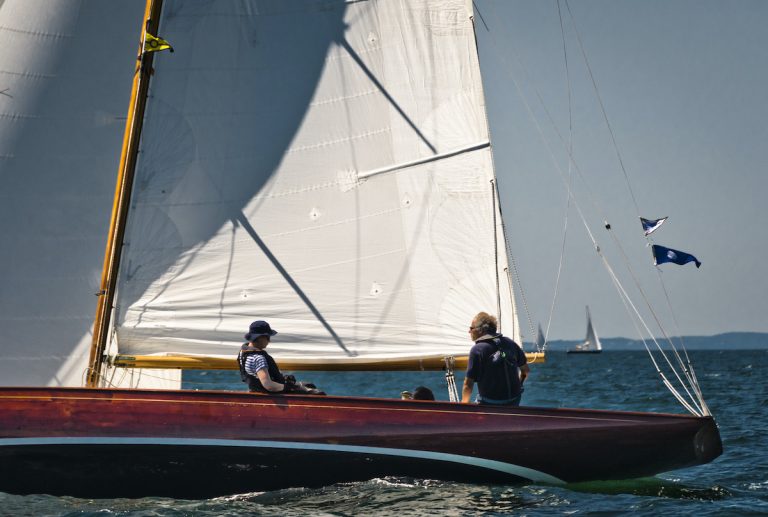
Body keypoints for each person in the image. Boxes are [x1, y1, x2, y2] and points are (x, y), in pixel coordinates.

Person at [237, 320, 324, 395]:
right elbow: (269, 385)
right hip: (270, 394)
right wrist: (290, 387)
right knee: (315, 392)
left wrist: (284, 379)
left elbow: (254, 377)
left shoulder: (243, 353)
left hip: (256, 390)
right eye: (268, 337)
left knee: (308, 385)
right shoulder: (258, 358)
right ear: (260, 338)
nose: (269, 341)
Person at [461, 312, 529, 406]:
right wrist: (519, 385)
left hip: (489, 402)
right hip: (514, 400)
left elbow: (468, 384)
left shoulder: (477, 350)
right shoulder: (510, 343)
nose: (469, 331)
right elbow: (525, 371)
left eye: (471, 328)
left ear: (481, 330)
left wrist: (464, 404)